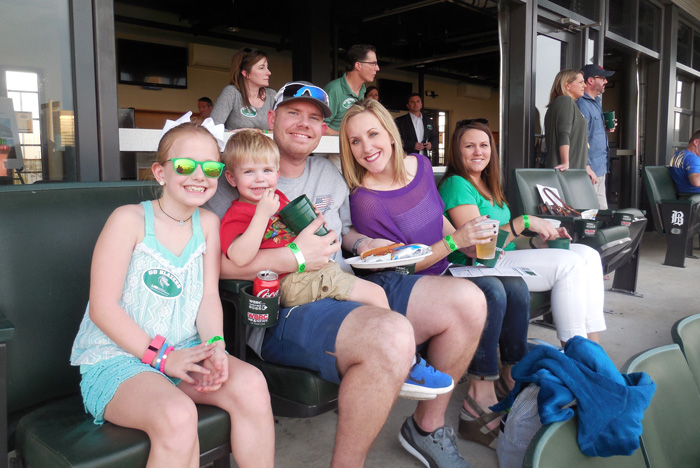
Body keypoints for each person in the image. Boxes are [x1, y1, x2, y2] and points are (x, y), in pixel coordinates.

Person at [206, 81, 487, 468]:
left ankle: (426, 429)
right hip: (283, 304)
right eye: (293, 113)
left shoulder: (329, 174)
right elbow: (211, 263)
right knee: (390, 334)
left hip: (343, 283)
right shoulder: (234, 179)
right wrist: (293, 256)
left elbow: (346, 229)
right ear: (272, 118)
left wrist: (361, 243)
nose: (304, 124)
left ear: (324, 129)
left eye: (315, 118)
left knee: (469, 301)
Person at [70, 120, 274, 468]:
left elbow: (209, 297)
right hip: (118, 360)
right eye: (185, 166)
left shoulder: (208, 224)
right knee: (178, 414)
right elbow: (103, 308)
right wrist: (163, 358)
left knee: (252, 383)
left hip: (184, 354)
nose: (199, 175)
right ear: (160, 172)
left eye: (210, 167)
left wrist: (216, 346)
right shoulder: (128, 220)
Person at [339, 99, 530, 450]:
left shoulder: (422, 165)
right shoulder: (365, 199)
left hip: (446, 265)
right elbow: (402, 265)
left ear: (392, 135)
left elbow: (438, 221)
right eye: (355, 141)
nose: (366, 148)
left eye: (372, 134)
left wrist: (467, 247)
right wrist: (456, 241)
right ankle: (478, 397)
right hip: (410, 280)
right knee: (492, 292)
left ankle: (511, 379)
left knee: (515, 288)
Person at [219, 128, 453, 400]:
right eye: (249, 172)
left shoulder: (279, 199)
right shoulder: (239, 212)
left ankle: (397, 357)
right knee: (374, 294)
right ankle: (407, 364)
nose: (260, 179)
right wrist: (261, 215)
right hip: (292, 281)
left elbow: (299, 231)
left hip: (316, 272)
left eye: (267, 171)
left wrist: (315, 221)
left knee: (366, 308)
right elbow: (238, 256)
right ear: (231, 178)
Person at [437, 119, 606, 349]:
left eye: (484, 145)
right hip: (477, 265)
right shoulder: (456, 184)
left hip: (506, 256)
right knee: (570, 264)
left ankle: (594, 351)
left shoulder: (488, 183)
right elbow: (481, 248)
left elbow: (512, 241)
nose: (478, 151)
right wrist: (524, 221)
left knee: (588, 255)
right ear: (457, 152)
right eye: (469, 146)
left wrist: (540, 240)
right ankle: (576, 352)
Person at [577, 64, 616, 209]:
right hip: (590, 170)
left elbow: (590, 132)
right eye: (603, 78)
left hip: (600, 167)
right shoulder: (581, 104)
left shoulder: (596, 102)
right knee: (589, 214)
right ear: (590, 81)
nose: (606, 81)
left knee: (602, 213)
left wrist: (603, 128)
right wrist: (586, 166)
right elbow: (580, 138)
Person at [211, 48, 276, 131]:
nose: (269, 72)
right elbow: (212, 128)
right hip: (236, 143)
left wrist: (260, 133)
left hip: (264, 144)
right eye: (261, 68)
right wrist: (237, 134)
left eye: (267, 67)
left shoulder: (272, 95)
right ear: (245, 73)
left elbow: (280, 131)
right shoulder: (232, 92)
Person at [324, 44, 379, 135]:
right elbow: (320, 126)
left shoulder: (362, 90)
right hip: (332, 147)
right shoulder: (334, 89)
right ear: (358, 65)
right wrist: (346, 138)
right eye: (373, 64)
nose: (377, 68)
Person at [544, 69, 588, 171]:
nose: (584, 86)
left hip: (571, 171)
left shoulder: (564, 103)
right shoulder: (565, 101)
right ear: (567, 85)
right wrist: (565, 162)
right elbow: (563, 133)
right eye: (581, 82)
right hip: (567, 171)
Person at [394, 93, 438, 160]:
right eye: (412, 102)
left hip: (424, 158)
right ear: (408, 105)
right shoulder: (399, 121)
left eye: (418, 101)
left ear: (421, 104)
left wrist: (431, 144)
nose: (415, 104)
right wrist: (412, 145)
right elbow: (396, 139)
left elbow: (434, 137)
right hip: (406, 158)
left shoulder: (429, 121)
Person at [669, 129, 700, 194]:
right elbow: (696, 181)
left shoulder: (678, 154)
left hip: (685, 194)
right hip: (694, 197)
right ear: (696, 142)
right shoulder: (693, 158)